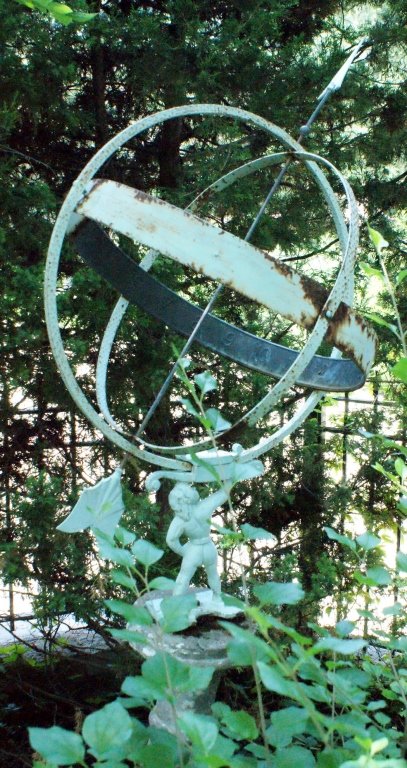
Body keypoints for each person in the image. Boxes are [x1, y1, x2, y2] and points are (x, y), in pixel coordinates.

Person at [166, 481, 232, 597]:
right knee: (213, 575)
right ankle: (218, 599)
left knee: (183, 578)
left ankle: (175, 606)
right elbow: (224, 493)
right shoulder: (204, 507)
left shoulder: (180, 520)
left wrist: (183, 551)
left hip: (193, 550)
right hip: (209, 547)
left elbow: (171, 540)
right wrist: (229, 479)